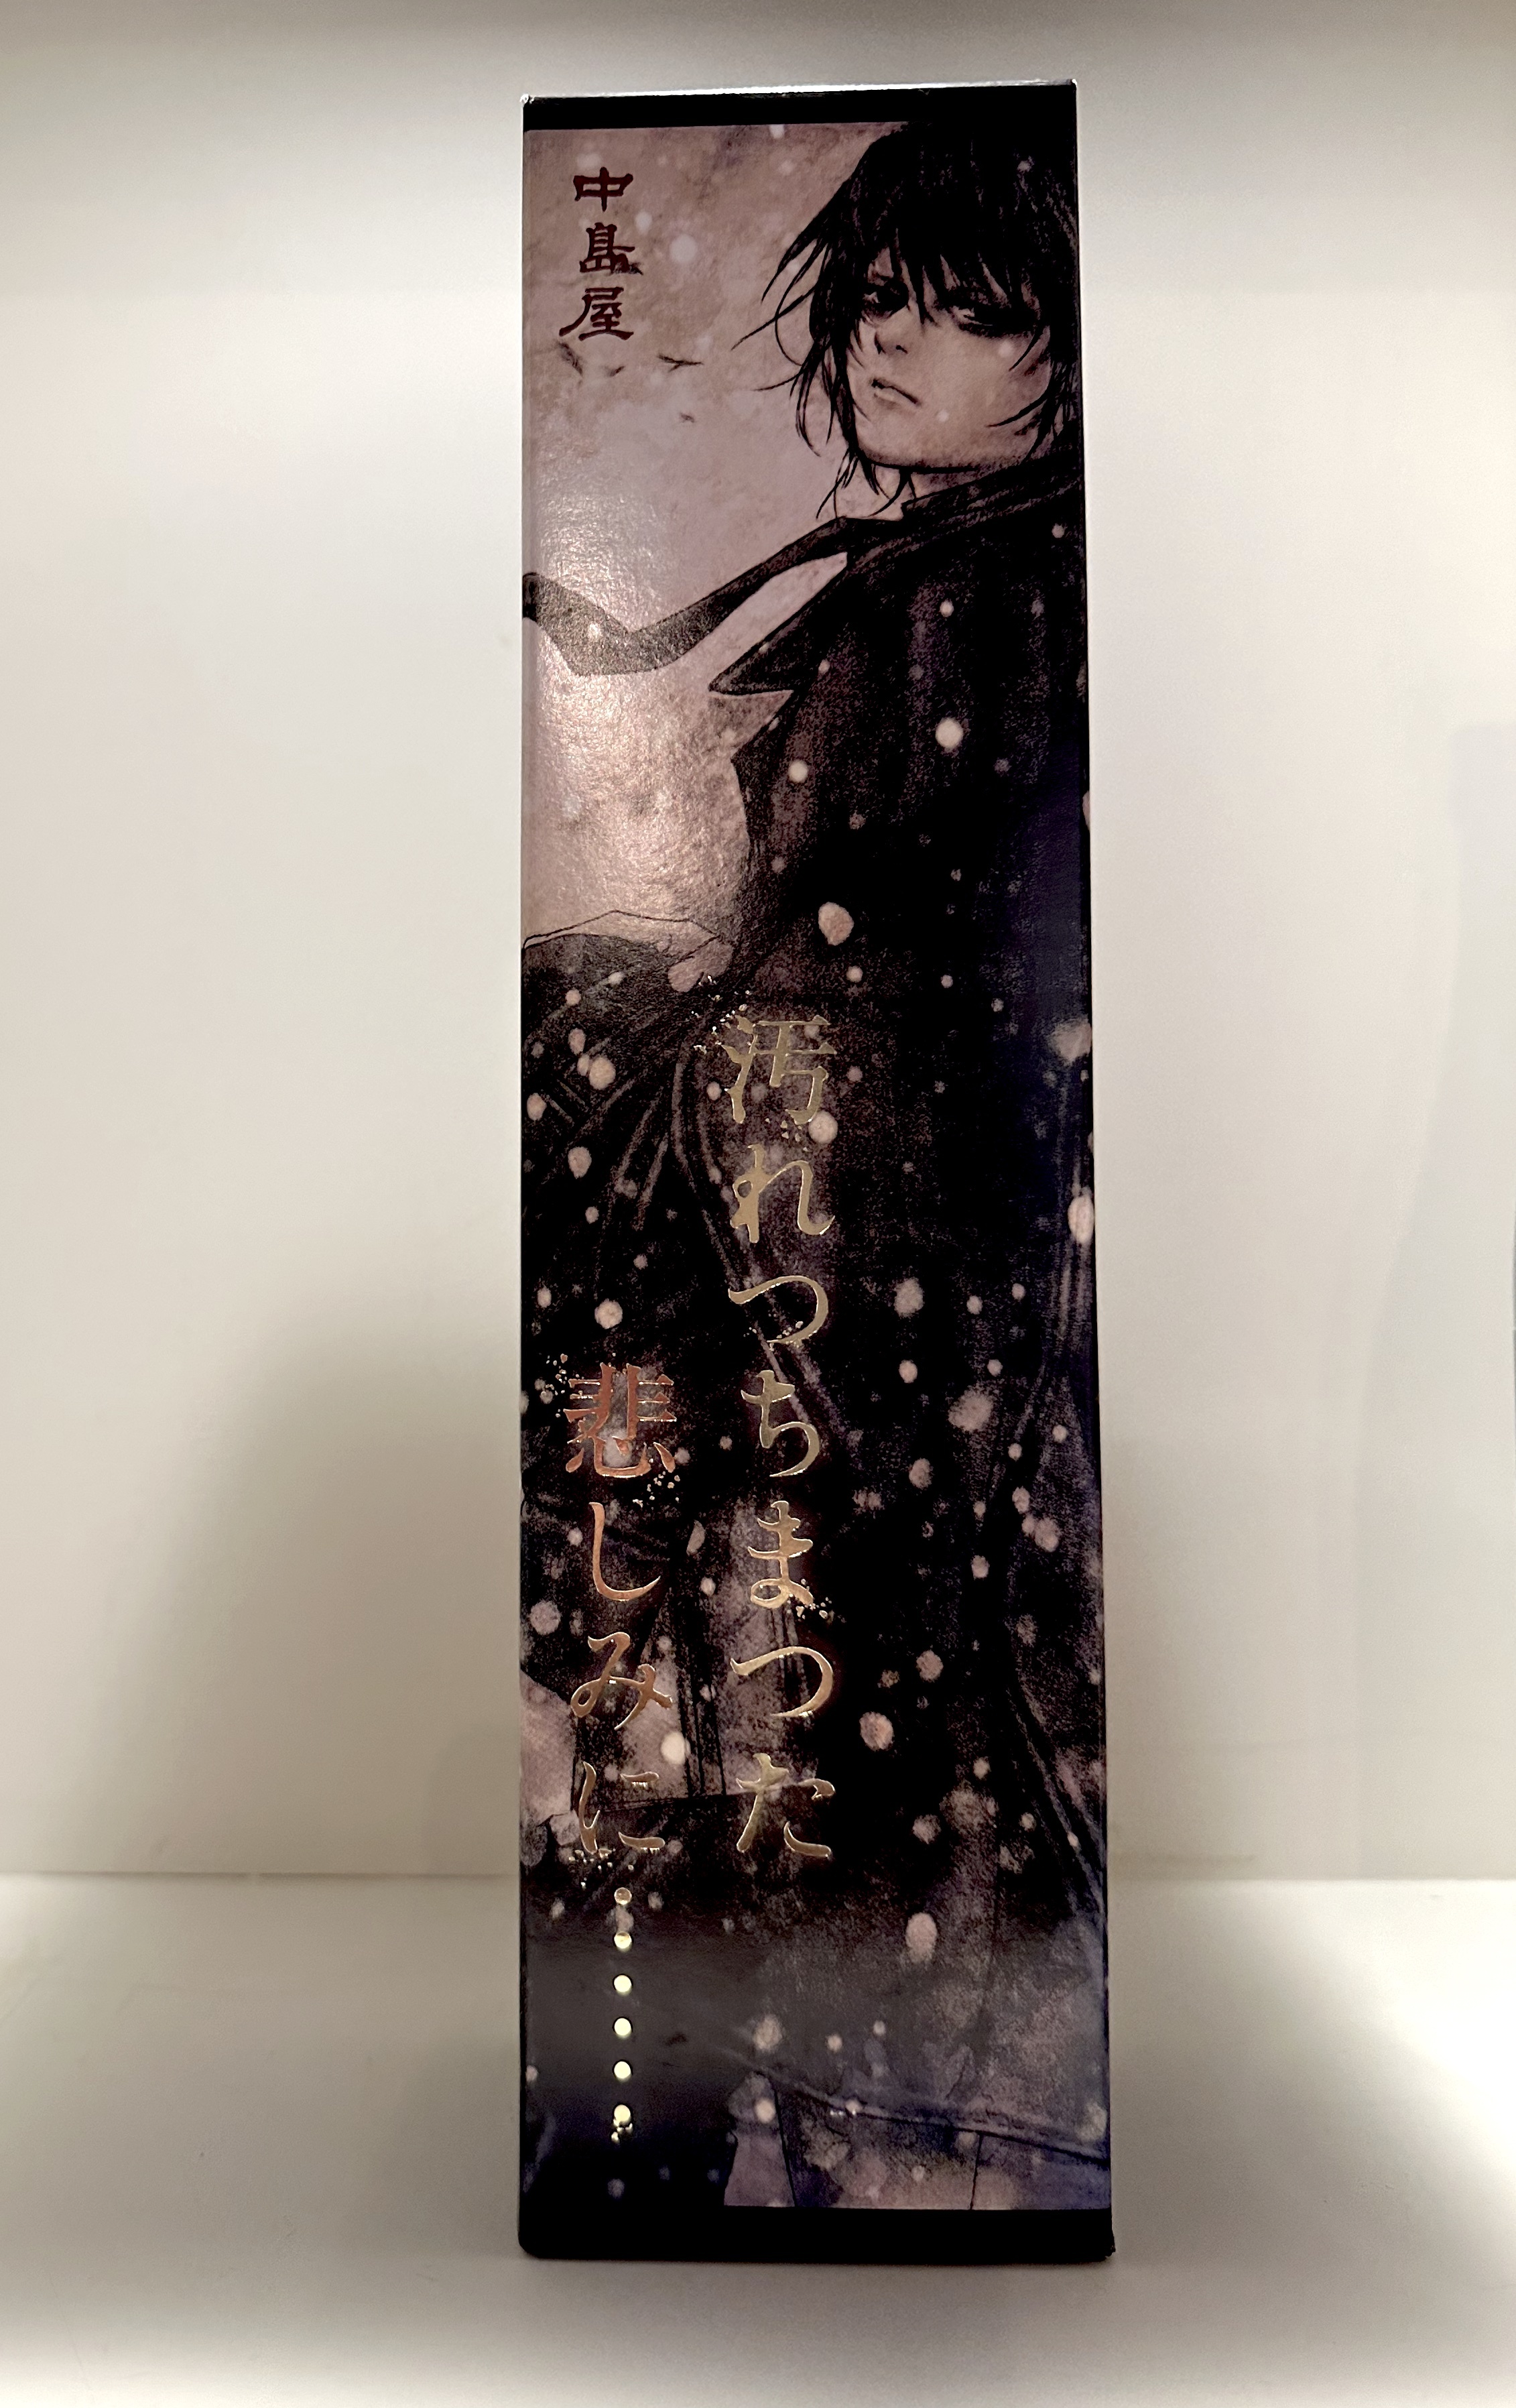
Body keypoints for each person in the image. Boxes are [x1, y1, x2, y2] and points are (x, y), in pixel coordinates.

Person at [520, 109, 1107, 2228]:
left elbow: (867, 931)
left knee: (844, 1681)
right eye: (877, 298)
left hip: (868, 1233)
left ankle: (815, 2122)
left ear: (1071, 347)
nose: (891, 342)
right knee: (797, 1690)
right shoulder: (937, 575)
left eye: (968, 310)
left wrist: (639, 1009)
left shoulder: (992, 593)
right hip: (830, 1219)